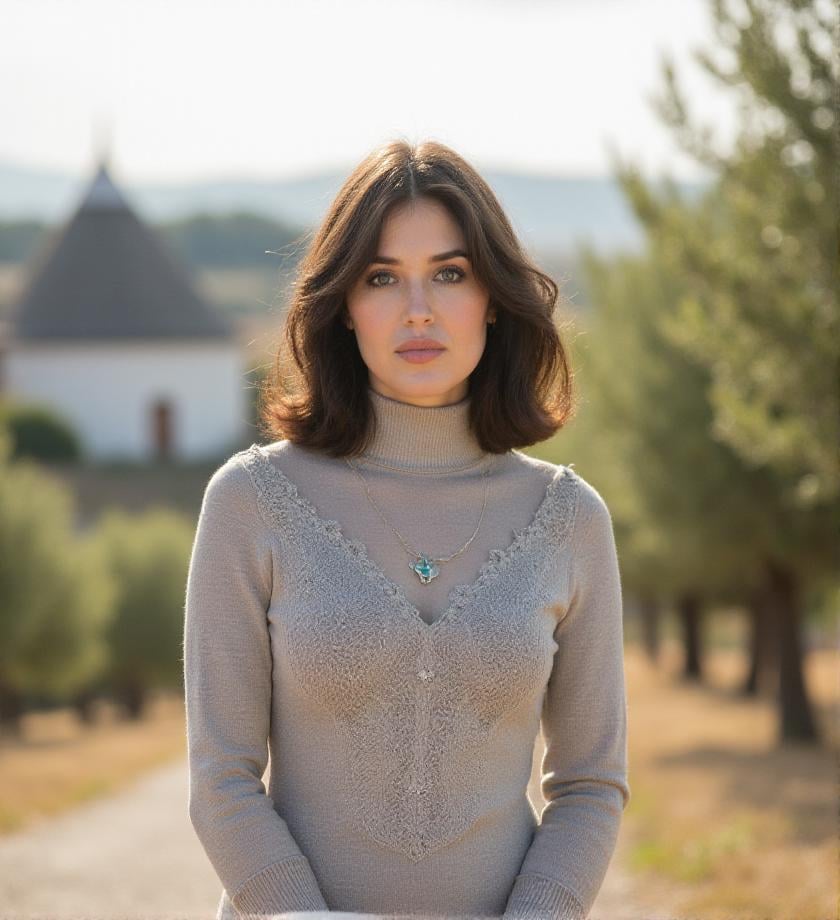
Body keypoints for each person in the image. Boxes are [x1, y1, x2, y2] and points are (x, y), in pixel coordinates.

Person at [183, 139, 630, 920]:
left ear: (492, 295)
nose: (417, 309)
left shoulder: (569, 519)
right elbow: (220, 777)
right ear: (343, 306)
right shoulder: (252, 500)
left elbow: (590, 785)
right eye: (381, 278)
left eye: (449, 274)